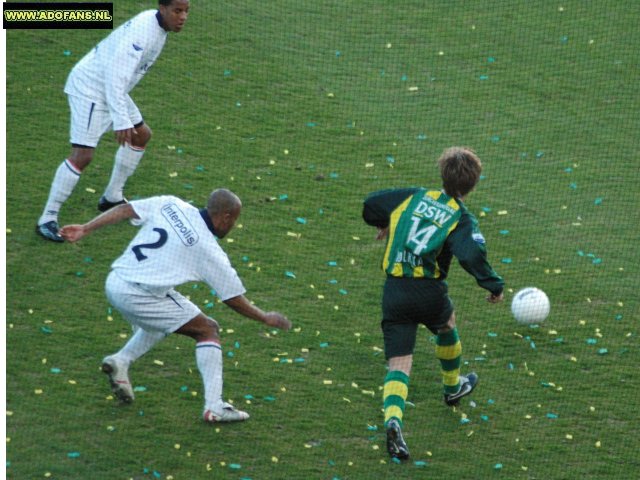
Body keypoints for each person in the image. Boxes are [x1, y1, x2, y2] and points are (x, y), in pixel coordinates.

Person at [59, 188, 292, 423]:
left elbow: (124, 209)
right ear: (226, 217)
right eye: (234, 221)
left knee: (166, 317)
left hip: (115, 281)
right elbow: (232, 298)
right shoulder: (208, 249)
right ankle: (214, 407)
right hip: (139, 295)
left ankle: (121, 361)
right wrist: (264, 317)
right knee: (207, 329)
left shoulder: (170, 204)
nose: (232, 228)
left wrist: (85, 228)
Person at [362, 147, 504, 460]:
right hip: (429, 292)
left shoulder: (412, 196)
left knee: (399, 364)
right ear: (474, 185)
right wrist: (493, 285)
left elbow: (371, 203)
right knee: (447, 324)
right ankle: (452, 387)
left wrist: (384, 222)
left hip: (395, 293)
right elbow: (471, 254)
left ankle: (394, 422)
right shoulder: (461, 217)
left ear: (441, 173)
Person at [36, 0, 190, 242]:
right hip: (91, 89)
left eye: (186, 11)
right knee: (83, 155)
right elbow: (115, 76)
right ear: (162, 9)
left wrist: (122, 116)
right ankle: (47, 218)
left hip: (111, 89)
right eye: (177, 11)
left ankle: (112, 197)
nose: (183, 17)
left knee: (141, 135)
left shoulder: (159, 27)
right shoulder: (143, 32)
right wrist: (121, 120)